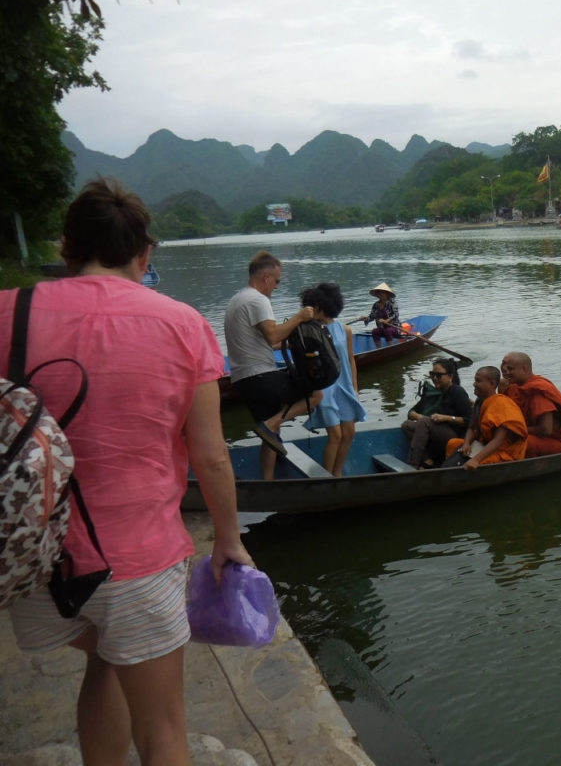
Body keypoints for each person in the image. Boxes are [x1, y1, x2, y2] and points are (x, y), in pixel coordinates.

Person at [0, 177, 252, 766]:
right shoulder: (182, 323)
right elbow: (210, 454)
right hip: (138, 559)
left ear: (65, 246)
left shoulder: (8, 312)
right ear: (145, 254)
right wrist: (230, 539)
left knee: (106, 662)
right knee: (163, 726)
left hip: (36, 555)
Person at [224, 250, 322, 480]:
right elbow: (271, 335)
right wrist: (299, 318)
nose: (276, 286)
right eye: (276, 281)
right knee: (317, 394)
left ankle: (267, 483)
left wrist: (292, 342)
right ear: (266, 277)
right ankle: (272, 424)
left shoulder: (237, 299)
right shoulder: (258, 300)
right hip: (260, 377)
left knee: (270, 434)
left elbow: (272, 342)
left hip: (242, 380)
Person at [299, 282, 367, 476]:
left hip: (344, 385)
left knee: (349, 433)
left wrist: (355, 387)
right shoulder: (309, 330)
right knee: (335, 435)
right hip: (324, 388)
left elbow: (351, 360)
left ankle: (336, 473)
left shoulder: (344, 330)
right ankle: (326, 476)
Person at [444, 366, 528, 470]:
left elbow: (498, 440)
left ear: (492, 384)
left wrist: (476, 460)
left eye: (478, 381)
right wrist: (466, 444)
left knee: (479, 463)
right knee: (452, 443)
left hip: (502, 451)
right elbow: (471, 428)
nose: (474, 384)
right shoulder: (479, 402)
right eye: (475, 380)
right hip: (483, 444)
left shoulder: (501, 404)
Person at [401, 358, 473, 468]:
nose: (434, 378)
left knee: (424, 422)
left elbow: (469, 421)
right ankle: (427, 459)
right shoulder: (439, 392)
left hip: (456, 436)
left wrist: (446, 418)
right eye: (432, 374)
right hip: (441, 431)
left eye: (438, 375)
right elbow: (413, 411)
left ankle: (412, 465)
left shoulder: (457, 392)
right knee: (407, 425)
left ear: (450, 376)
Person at [500, 352, 561, 457]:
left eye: (510, 369)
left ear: (524, 369)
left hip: (555, 440)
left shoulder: (537, 392)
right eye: (503, 369)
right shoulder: (512, 385)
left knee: (519, 442)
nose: (505, 372)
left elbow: (546, 430)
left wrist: (513, 430)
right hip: (525, 430)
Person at [359, 282, 400, 347]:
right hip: (382, 328)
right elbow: (372, 316)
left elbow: (396, 314)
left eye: (382, 292)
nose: (380, 294)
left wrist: (387, 320)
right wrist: (366, 318)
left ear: (387, 294)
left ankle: (391, 348)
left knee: (388, 331)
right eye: (379, 293)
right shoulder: (376, 305)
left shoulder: (392, 303)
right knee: (375, 331)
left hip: (394, 327)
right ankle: (379, 349)